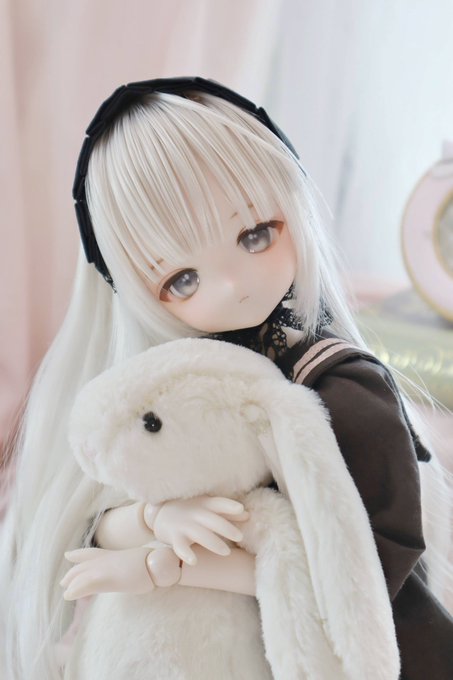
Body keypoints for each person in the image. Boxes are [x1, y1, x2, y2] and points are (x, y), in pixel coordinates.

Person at [2, 77, 452, 679]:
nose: (235, 285)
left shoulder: (345, 392)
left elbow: (360, 575)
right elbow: (94, 521)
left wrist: (162, 566)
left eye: (255, 235)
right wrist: (154, 521)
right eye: (182, 279)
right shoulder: (184, 381)